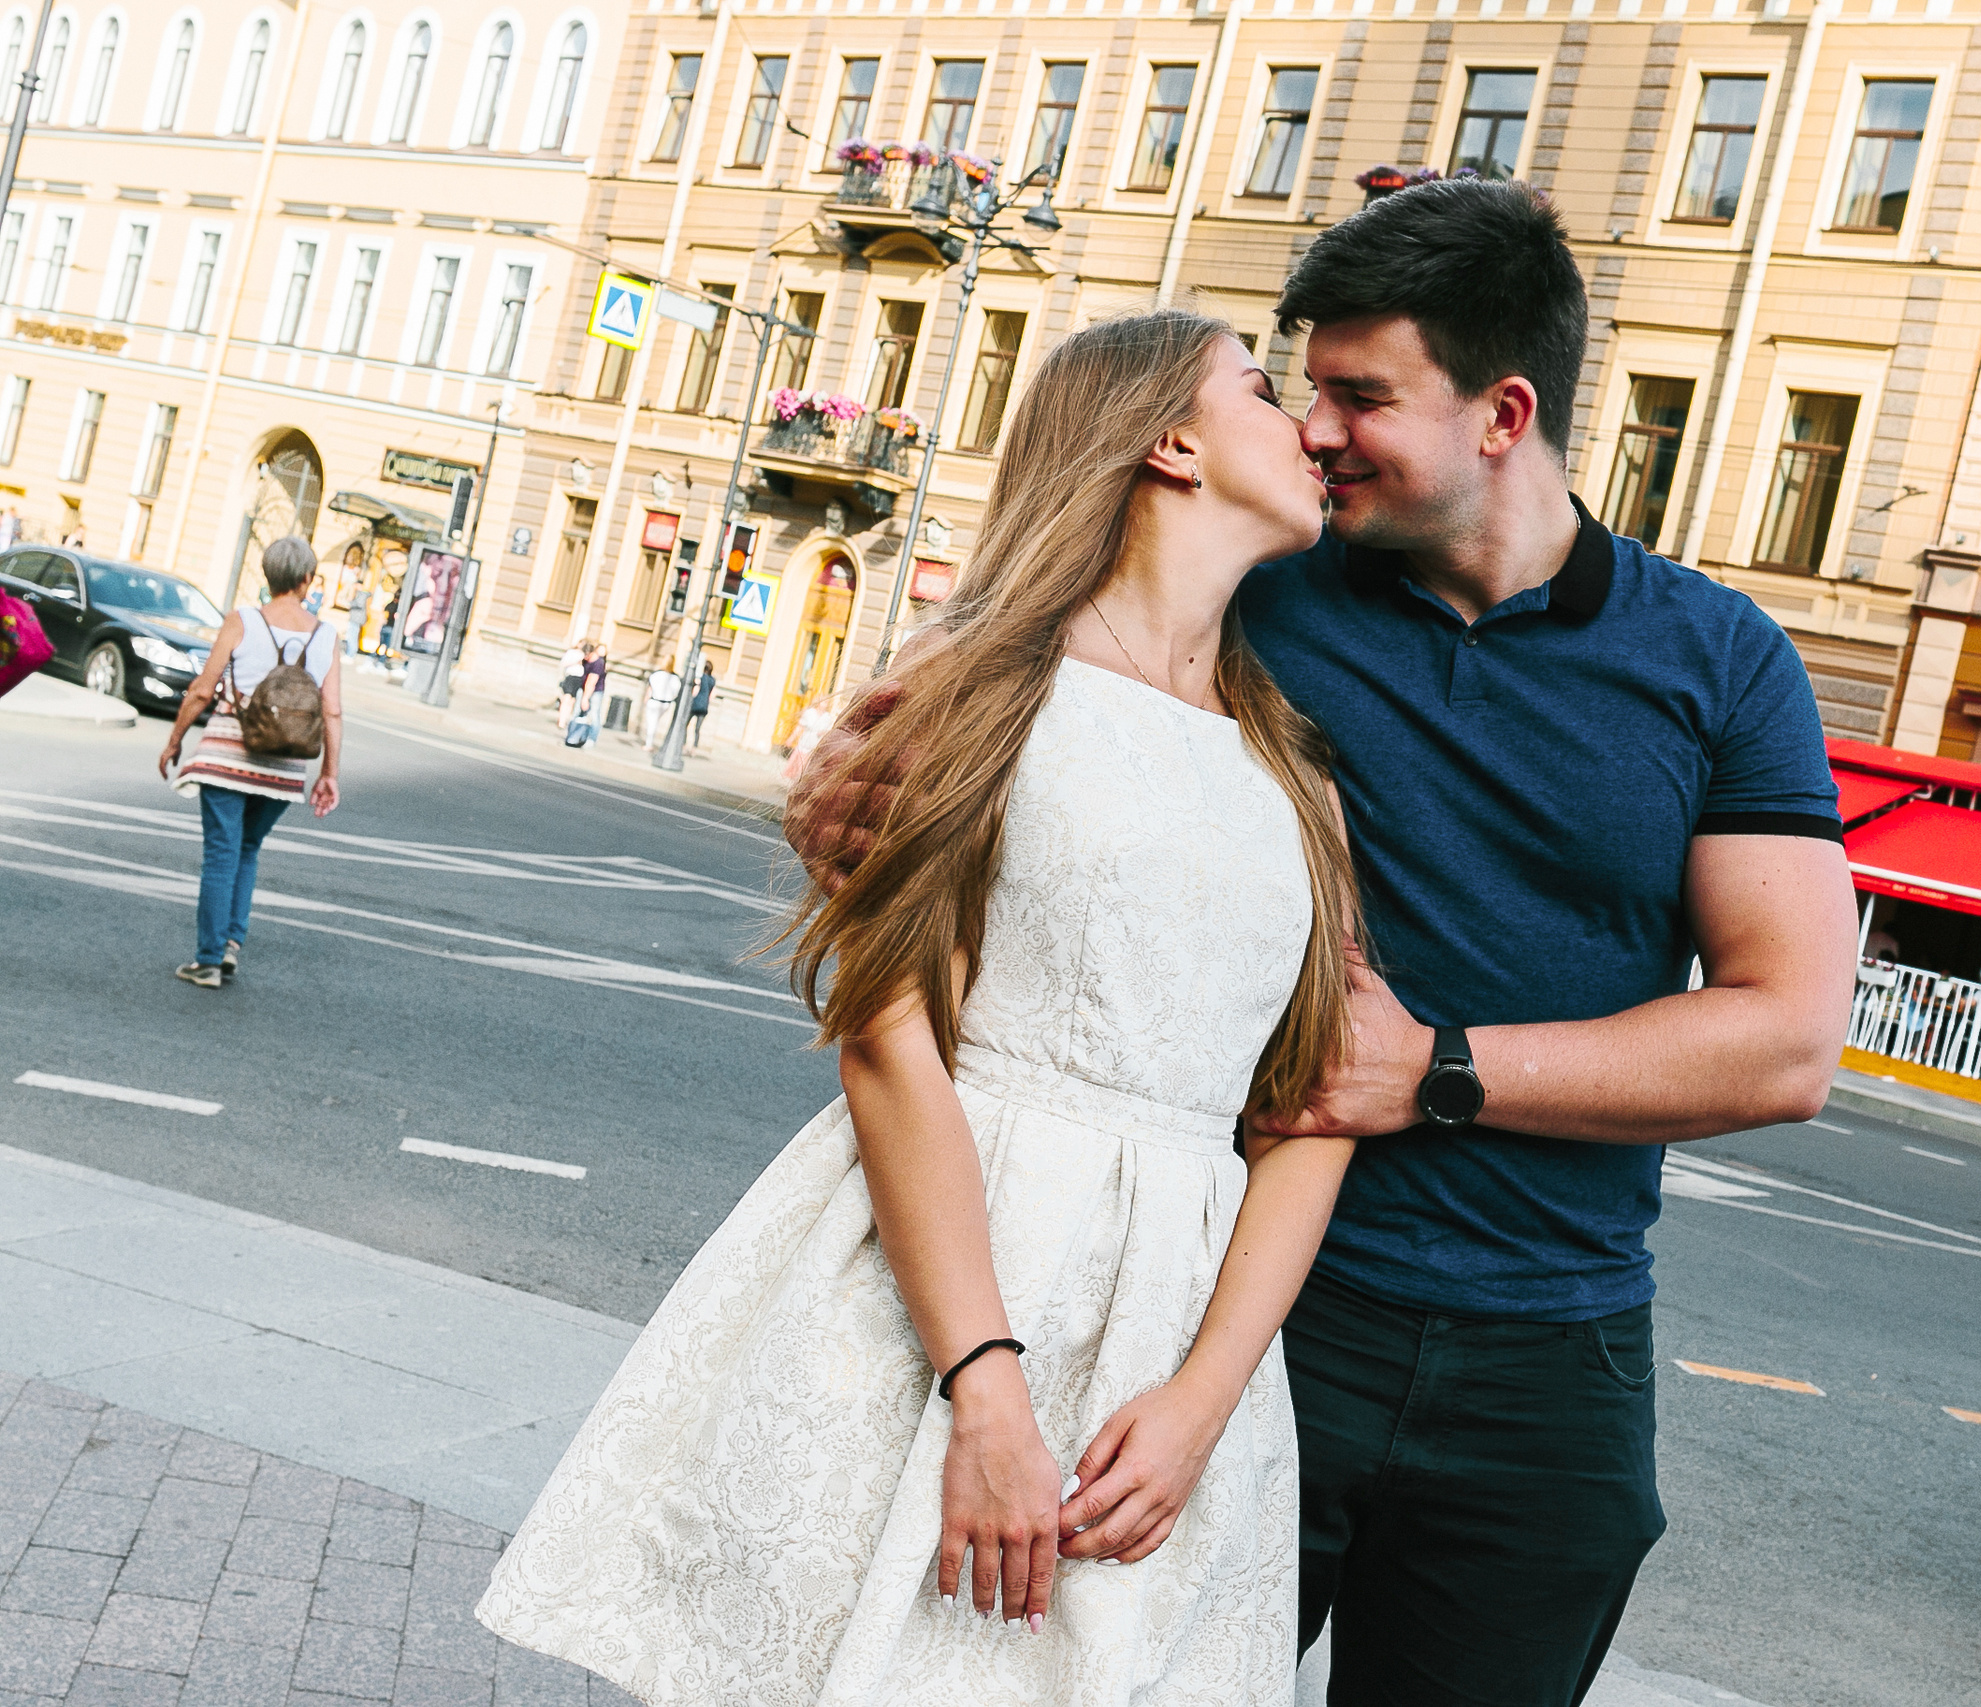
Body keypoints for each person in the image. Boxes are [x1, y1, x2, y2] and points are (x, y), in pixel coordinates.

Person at [787, 182, 1853, 1707]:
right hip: (1245, 1308)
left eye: (1361, 395)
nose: (1319, 429)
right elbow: (1022, 642)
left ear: (1503, 413)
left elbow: (1791, 1033)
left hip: (1553, 1353)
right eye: (1302, 390)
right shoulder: (1266, 579)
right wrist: (852, 772)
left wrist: (1438, 1070)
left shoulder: (1720, 658)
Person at [479, 314, 1364, 1705]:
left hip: (1175, 1358)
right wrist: (985, 1384)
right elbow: (890, 1041)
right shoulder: (983, 694)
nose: (1312, 426)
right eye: (1267, 391)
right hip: (942, 1299)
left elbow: (1316, 1107)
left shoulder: (1294, 772)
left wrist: (1205, 1402)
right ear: (1170, 441)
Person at [158, 537, 343, 988]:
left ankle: (207, 959)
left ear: (267, 576)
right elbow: (332, 710)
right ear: (307, 580)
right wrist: (329, 774)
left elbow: (203, 689)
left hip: (227, 754)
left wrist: (175, 740)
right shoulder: (326, 636)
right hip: (284, 768)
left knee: (221, 854)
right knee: (248, 849)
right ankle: (230, 948)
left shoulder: (243, 621)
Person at [642, 654, 681, 749]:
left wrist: (646, 698)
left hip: (654, 701)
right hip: (666, 703)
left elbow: (650, 689)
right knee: (655, 721)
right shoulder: (675, 678)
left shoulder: (656, 674)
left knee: (652, 722)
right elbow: (675, 692)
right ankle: (649, 742)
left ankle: (649, 743)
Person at [555, 639, 591, 733]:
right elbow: (564, 663)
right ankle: (561, 721)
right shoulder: (572, 652)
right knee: (566, 698)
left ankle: (566, 719)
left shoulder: (585, 655)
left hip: (579, 678)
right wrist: (576, 661)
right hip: (571, 676)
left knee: (572, 701)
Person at [684, 662, 715, 749]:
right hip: (704, 706)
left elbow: (695, 691)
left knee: (686, 724)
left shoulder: (700, 678)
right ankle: (694, 748)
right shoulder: (712, 680)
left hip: (696, 704)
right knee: (697, 729)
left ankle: (684, 744)